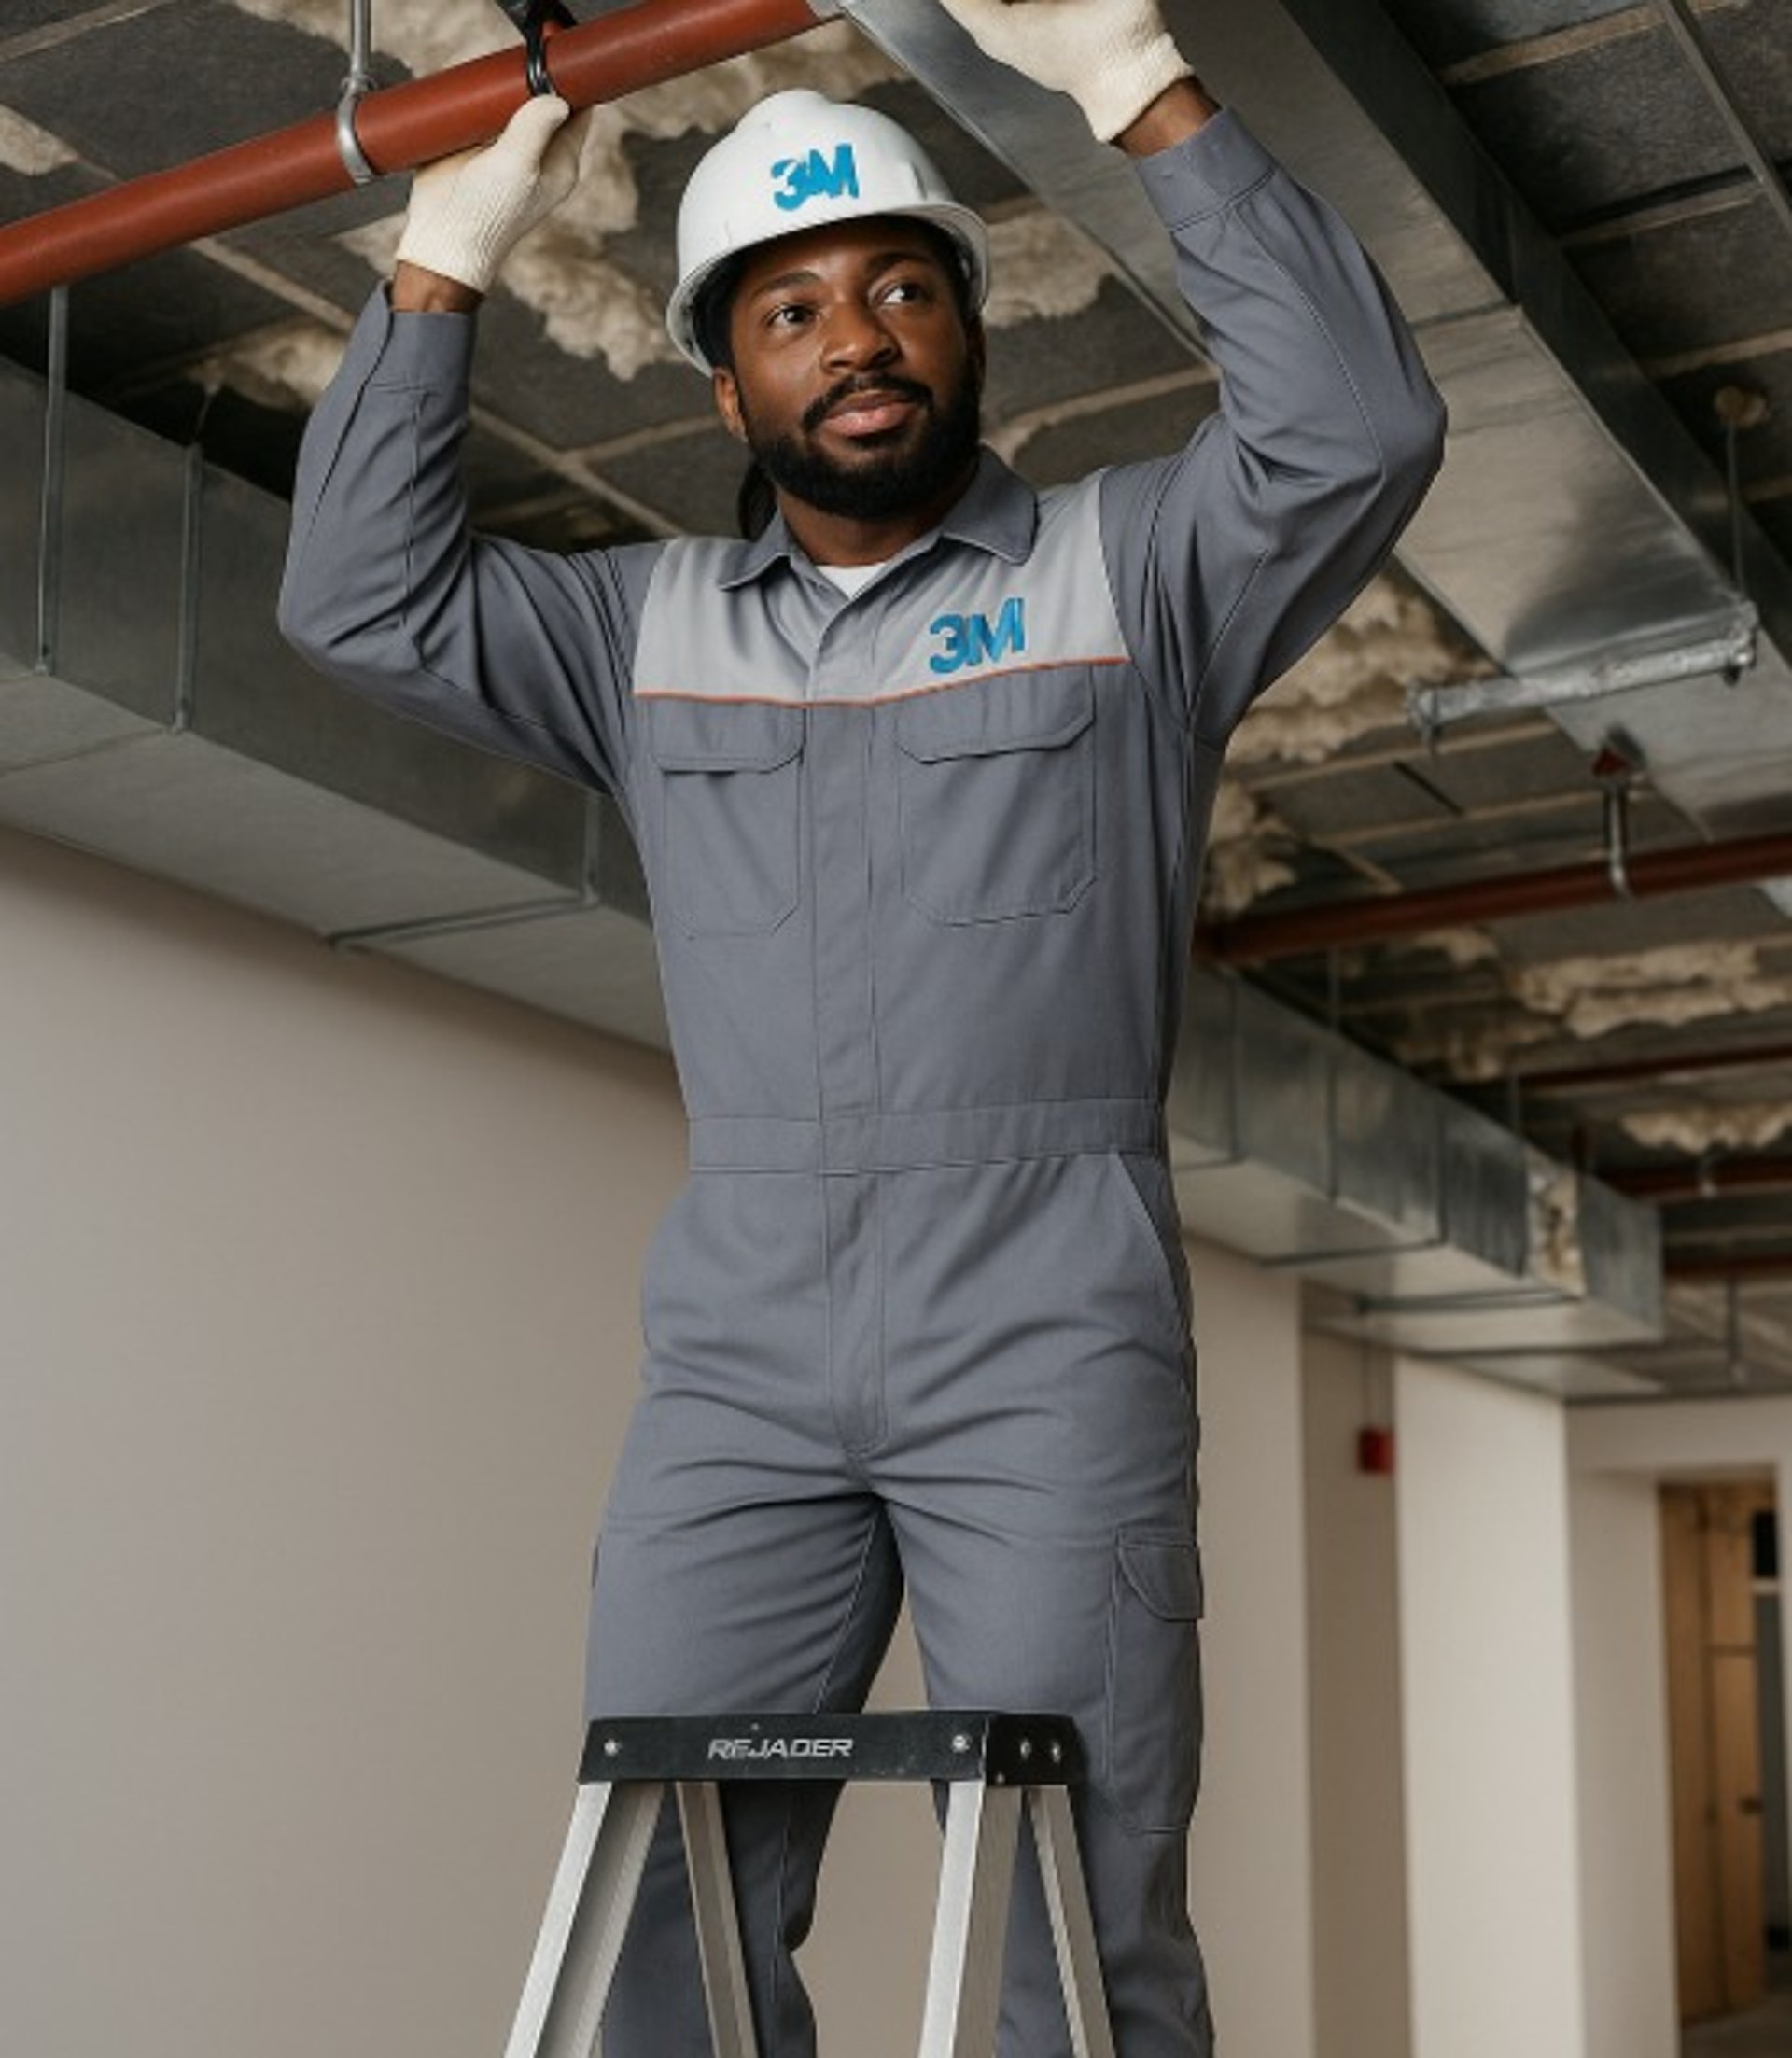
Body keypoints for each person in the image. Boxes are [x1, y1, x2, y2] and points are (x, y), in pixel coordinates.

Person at [280, 1, 1445, 2051]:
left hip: (1048, 1322)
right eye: (795, 307)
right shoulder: (640, 632)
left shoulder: (1131, 572)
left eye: (903, 286)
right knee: (667, 1888)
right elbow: (359, 598)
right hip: (741, 1349)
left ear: (970, 331)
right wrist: (441, 258)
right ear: (723, 371)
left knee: (1080, 1912)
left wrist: (1128, 79)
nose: (860, 335)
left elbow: (1355, 430)